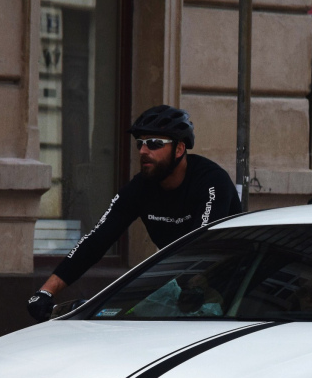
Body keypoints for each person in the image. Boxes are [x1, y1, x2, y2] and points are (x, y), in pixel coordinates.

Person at [27, 105, 241, 320]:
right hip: (183, 287)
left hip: (235, 290)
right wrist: (46, 291)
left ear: (179, 149)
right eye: (140, 143)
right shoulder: (141, 187)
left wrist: (196, 284)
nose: (143, 151)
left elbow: (200, 243)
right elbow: (97, 240)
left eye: (155, 144)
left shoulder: (211, 181)